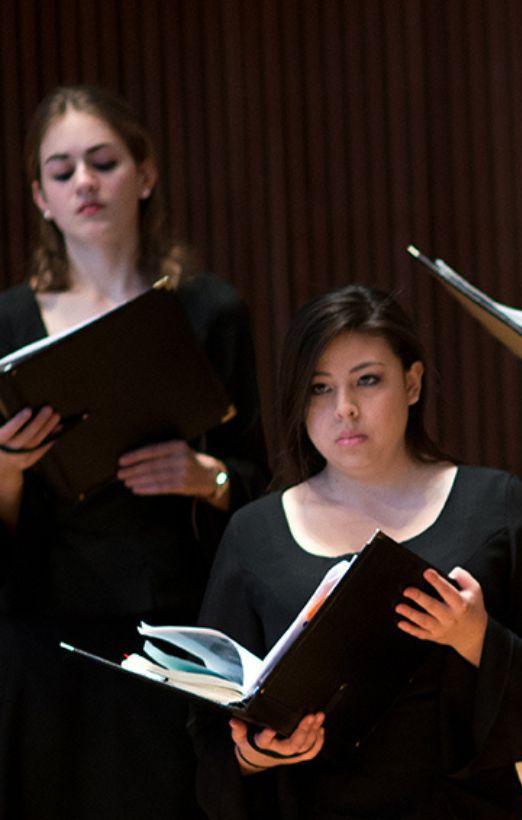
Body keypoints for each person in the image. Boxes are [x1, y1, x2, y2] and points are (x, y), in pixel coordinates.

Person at [191, 285, 522, 818]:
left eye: (368, 380)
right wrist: (254, 756)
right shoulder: (254, 533)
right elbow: (210, 732)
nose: (345, 409)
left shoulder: (494, 507)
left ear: (411, 383)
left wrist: (477, 638)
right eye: (319, 388)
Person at [0, 85, 268, 819]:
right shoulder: (9, 324)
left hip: (170, 631)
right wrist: (8, 469)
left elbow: (261, 484)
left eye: (102, 161)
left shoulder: (210, 311)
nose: (83, 181)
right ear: (41, 197)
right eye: (62, 171)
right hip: (41, 631)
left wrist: (204, 476)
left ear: (145, 175)